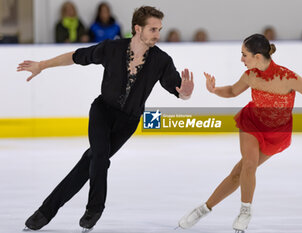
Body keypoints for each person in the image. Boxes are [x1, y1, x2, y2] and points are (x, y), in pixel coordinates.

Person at [18, 6, 194, 231]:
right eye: (152, 29)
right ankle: (95, 209)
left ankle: (43, 213)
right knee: (99, 156)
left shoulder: (162, 61)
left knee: (88, 164)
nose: (157, 35)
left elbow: (178, 89)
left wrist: (185, 93)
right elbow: (75, 56)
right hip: (102, 111)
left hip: (128, 122)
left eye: (159, 29)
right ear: (137, 28)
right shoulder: (112, 48)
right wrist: (42, 65)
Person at [178, 34, 302, 232]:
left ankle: (203, 208)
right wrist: (214, 89)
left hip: (277, 134)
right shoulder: (250, 75)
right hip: (251, 123)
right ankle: (245, 211)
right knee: (249, 165)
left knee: (238, 173)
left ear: (258, 57)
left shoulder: (288, 78)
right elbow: (232, 91)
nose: (241, 59)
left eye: (244, 55)